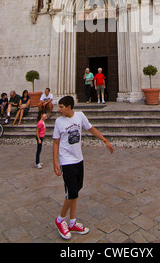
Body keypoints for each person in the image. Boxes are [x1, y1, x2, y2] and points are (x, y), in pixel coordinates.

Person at [53, 95, 114, 240]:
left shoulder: (80, 116)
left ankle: (72, 222)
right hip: (66, 161)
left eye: (61, 107)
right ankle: (60, 219)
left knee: (76, 191)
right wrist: (55, 162)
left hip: (78, 159)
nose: (59, 110)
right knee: (72, 191)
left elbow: (91, 129)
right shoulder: (58, 121)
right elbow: (55, 142)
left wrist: (105, 140)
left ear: (69, 107)